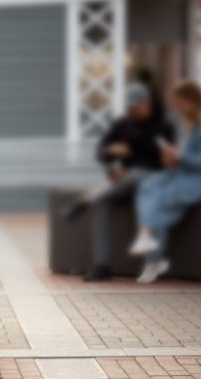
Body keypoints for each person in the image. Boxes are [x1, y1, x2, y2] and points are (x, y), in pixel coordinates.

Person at [63, 81, 175, 281]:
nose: (132, 110)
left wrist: (129, 154)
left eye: (136, 106)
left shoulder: (163, 125)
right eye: (129, 106)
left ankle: (84, 201)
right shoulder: (123, 124)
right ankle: (101, 265)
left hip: (154, 178)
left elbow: (162, 158)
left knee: (136, 175)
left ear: (147, 102)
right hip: (123, 181)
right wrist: (111, 157)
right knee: (102, 202)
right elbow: (101, 151)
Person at [129, 80, 201, 283]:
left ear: (194, 101)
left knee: (159, 212)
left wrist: (179, 157)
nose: (179, 108)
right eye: (177, 103)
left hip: (196, 180)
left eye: (182, 103)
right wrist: (171, 157)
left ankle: (152, 259)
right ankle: (147, 239)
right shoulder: (185, 126)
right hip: (179, 172)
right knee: (147, 185)